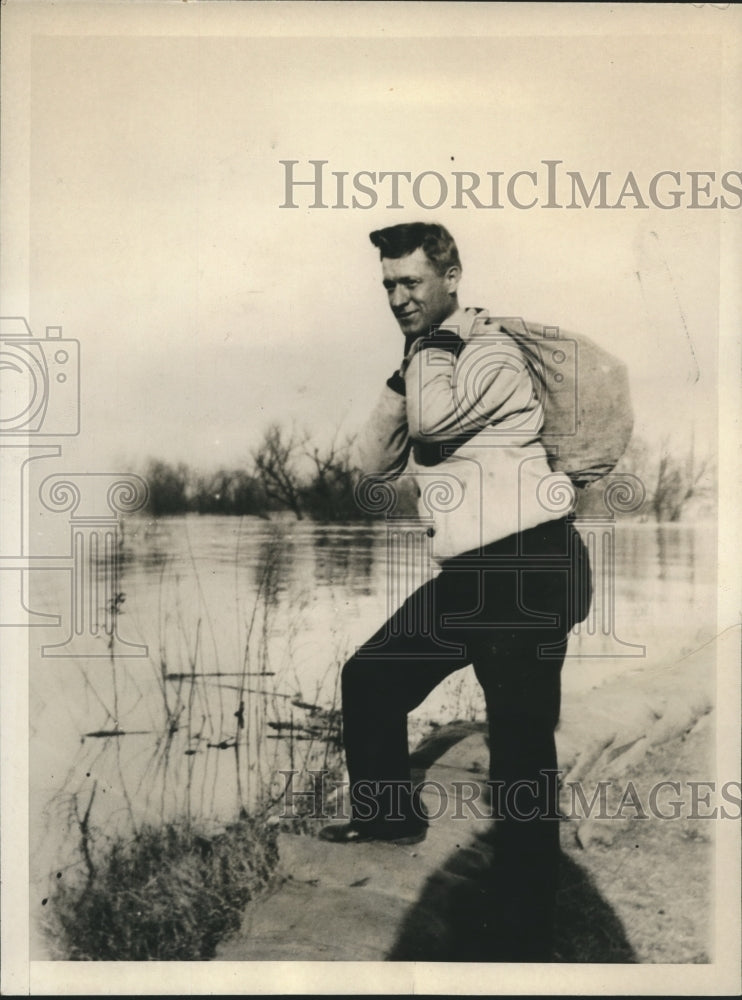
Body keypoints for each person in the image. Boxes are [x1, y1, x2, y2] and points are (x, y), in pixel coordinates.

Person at [319, 222, 592, 960]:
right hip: (476, 575)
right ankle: (387, 819)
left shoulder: (490, 351)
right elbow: (370, 466)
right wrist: (402, 369)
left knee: (519, 744)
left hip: (531, 567)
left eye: (411, 282)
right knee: (371, 677)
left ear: (452, 274)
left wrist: (431, 350)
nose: (398, 298)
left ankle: (529, 922)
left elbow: (434, 422)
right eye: (387, 285)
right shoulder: (428, 359)